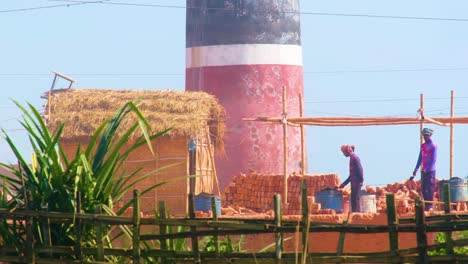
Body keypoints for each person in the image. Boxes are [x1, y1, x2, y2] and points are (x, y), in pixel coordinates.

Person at [410, 127, 437, 210]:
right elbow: (420, 158)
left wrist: (426, 169)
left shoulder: (433, 146)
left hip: (430, 171)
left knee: (430, 189)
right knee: (423, 188)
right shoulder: (423, 146)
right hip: (424, 171)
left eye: (426, 135)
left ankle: (430, 206)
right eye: (424, 135)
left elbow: (433, 160)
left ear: (430, 135)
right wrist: (416, 170)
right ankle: (426, 206)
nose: (425, 137)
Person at [338, 144, 364, 213]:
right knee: (353, 200)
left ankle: (357, 215)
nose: (343, 154)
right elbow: (351, 175)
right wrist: (344, 184)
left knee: (355, 200)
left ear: (347, 151)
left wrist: (361, 181)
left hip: (357, 183)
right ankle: (355, 215)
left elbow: (360, 170)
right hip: (353, 183)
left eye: (344, 152)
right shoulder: (352, 158)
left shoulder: (354, 158)